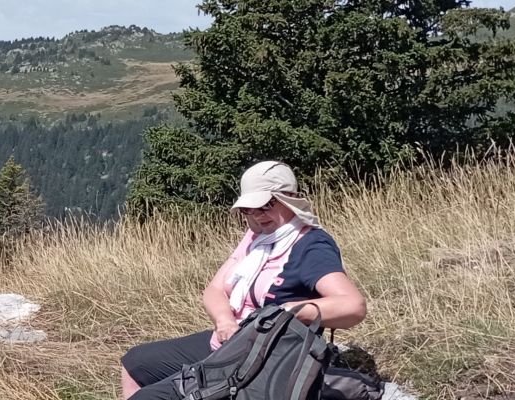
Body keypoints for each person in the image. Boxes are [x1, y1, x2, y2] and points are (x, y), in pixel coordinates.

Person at [118, 161, 368, 400]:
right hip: (230, 341)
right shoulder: (257, 237)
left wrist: (286, 312)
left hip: (265, 357)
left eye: (266, 205)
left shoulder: (311, 245)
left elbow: (353, 306)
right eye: (249, 209)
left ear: (288, 198)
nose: (258, 216)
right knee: (135, 363)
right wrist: (224, 321)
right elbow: (214, 289)